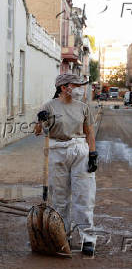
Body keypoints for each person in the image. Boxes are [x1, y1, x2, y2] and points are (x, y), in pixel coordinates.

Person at [34, 74, 98, 256]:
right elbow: (37, 132)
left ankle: (88, 238)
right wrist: (40, 120)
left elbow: (90, 132)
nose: (80, 88)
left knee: (84, 195)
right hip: (57, 150)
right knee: (60, 198)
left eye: (81, 85)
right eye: (76, 85)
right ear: (64, 87)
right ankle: (63, 235)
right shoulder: (49, 106)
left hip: (80, 150)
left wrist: (93, 153)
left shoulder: (83, 107)